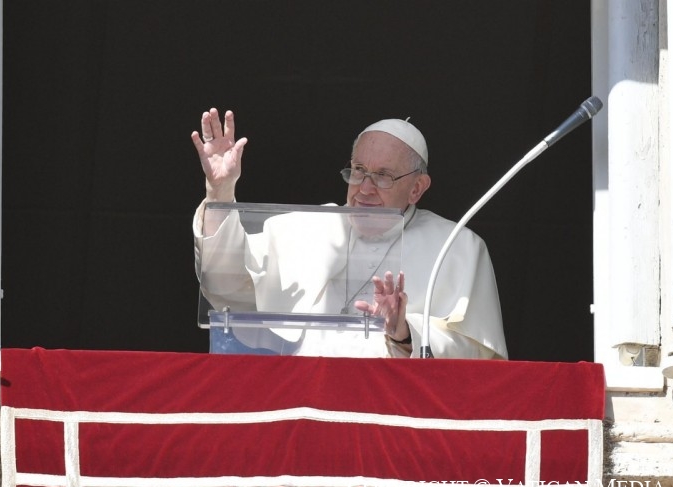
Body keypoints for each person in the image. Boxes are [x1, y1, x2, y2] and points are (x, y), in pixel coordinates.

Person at [192, 107, 507, 359]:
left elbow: (477, 356)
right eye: (359, 171)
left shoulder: (457, 247)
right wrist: (220, 190)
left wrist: (406, 332)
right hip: (301, 397)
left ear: (417, 188)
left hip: (390, 407)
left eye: (383, 176)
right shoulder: (299, 228)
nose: (365, 188)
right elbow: (225, 285)